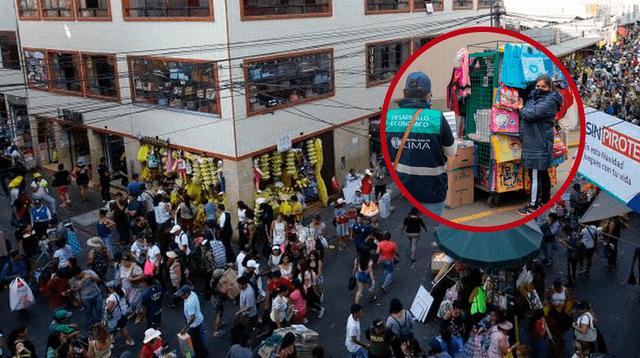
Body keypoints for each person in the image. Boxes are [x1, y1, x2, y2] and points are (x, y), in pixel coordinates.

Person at [385, 72, 456, 216]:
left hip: (401, 191)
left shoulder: (389, 117)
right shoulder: (436, 118)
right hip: (431, 192)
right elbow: (452, 151)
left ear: (405, 93)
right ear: (428, 95)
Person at [517, 74, 563, 215]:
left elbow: (530, 114)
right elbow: (530, 101)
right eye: (538, 86)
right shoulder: (536, 97)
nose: (539, 89)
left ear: (550, 87)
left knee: (535, 173)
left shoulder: (549, 101)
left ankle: (532, 206)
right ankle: (545, 200)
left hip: (539, 141)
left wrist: (520, 107)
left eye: (543, 86)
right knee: (542, 172)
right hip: (535, 140)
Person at [176, 285, 208, 358]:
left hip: (194, 324)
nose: (181, 297)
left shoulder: (189, 303)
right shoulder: (193, 294)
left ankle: (200, 354)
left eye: (182, 295)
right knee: (199, 338)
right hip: (199, 320)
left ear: (186, 294)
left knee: (195, 341)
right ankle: (204, 351)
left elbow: (192, 317)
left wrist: (185, 327)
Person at [104, 282, 135, 346]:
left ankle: (110, 344)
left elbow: (109, 308)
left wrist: (105, 307)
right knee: (123, 328)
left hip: (115, 317)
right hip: (122, 314)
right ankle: (130, 341)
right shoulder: (122, 291)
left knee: (111, 331)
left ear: (112, 289)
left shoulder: (112, 297)